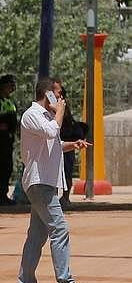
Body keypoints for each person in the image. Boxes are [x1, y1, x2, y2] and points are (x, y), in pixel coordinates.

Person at [16, 76, 90, 283]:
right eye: (57, 93)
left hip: (45, 182)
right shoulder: (32, 115)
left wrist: (72, 145)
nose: (61, 98)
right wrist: (59, 111)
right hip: (39, 183)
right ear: (47, 94)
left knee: (36, 236)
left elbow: (53, 143)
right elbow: (50, 132)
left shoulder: (46, 117)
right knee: (60, 230)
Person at [54, 78, 87, 207]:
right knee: (55, 173)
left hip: (67, 144)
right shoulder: (54, 108)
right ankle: (56, 198)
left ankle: (65, 197)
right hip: (58, 143)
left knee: (67, 172)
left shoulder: (63, 108)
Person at [0, 74, 19, 205]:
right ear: (3, 87)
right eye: (10, 85)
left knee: (7, 167)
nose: (12, 88)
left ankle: (3, 195)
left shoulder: (10, 101)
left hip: (8, 139)